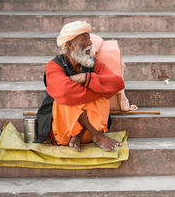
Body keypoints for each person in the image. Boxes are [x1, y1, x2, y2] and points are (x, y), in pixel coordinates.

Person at [36, 20, 125, 151]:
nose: (90, 43)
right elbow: (66, 93)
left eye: (89, 39)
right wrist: (98, 90)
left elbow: (118, 83)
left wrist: (86, 78)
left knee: (90, 93)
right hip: (63, 130)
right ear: (69, 44)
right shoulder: (53, 66)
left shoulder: (92, 62)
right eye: (84, 39)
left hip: (91, 129)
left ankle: (80, 133)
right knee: (65, 99)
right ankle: (96, 136)